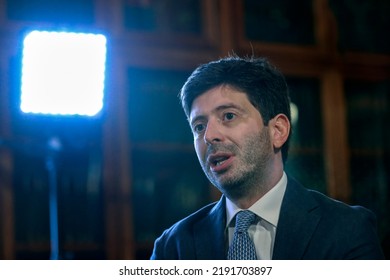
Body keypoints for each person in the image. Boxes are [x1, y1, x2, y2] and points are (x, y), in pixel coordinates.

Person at [150, 55, 385, 260]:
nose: (209, 136)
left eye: (229, 116)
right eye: (199, 127)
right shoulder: (173, 247)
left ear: (278, 130)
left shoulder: (346, 230)